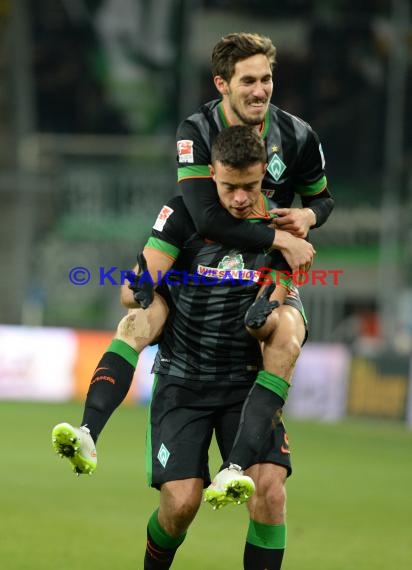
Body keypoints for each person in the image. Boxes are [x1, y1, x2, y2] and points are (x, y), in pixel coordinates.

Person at [52, 32, 331, 486]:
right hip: (205, 272)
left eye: (267, 79)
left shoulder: (298, 137)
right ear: (221, 83)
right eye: (248, 81)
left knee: (283, 331)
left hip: (265, 267)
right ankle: (88, 430)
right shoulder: (196, 135)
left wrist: (304, 217)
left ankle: (236, 467)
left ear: (263, 171)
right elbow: (202, 218)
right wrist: (141, 285)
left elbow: (323, 203)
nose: (260, 90)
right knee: (138, 314)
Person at [124, 126, 305, 570]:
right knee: (181, 505)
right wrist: (142, 287)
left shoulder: (282, 225)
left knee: (269, 491)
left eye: (251, 186)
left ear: (266, 174)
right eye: (230, 187)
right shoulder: (184, 214)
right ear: (211, 175)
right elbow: (133, 291)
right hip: (183, 380)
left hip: (245, 383)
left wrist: (271, 308)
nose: (242, 198)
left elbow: (280, 291)